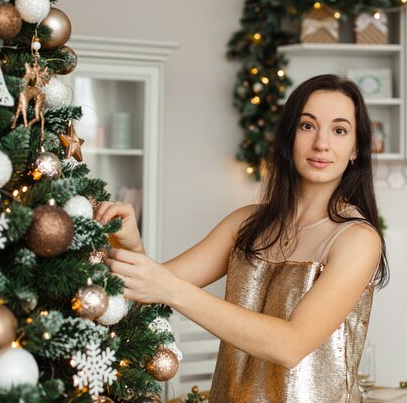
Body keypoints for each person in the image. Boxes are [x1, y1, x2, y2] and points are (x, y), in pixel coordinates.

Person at [97, 74, 388, 402]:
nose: (322, 143)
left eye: (339, 130)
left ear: (355, 150)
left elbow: (291, 345)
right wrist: (131, 245)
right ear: (288, 136)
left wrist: (172, 290)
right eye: (307, 126)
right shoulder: (247, 223)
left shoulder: (357, 240)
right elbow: (153, 287)